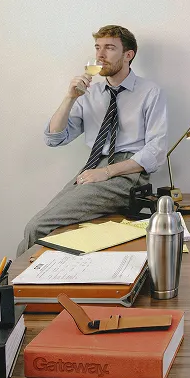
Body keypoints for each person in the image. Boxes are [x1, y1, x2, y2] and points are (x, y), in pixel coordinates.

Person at [17, 25, 168, 255]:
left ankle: (10, 288)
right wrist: (69, 98)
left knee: (37, 226)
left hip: (128, 173)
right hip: (93, 167)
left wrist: (107, 172)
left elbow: (156, 151)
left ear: (129, 55)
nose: (100, 55)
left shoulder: (150, 92)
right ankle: (21, 284)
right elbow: (55, 138)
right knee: (44, 227)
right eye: (98, 48)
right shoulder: (90, 93)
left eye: (109, 48)